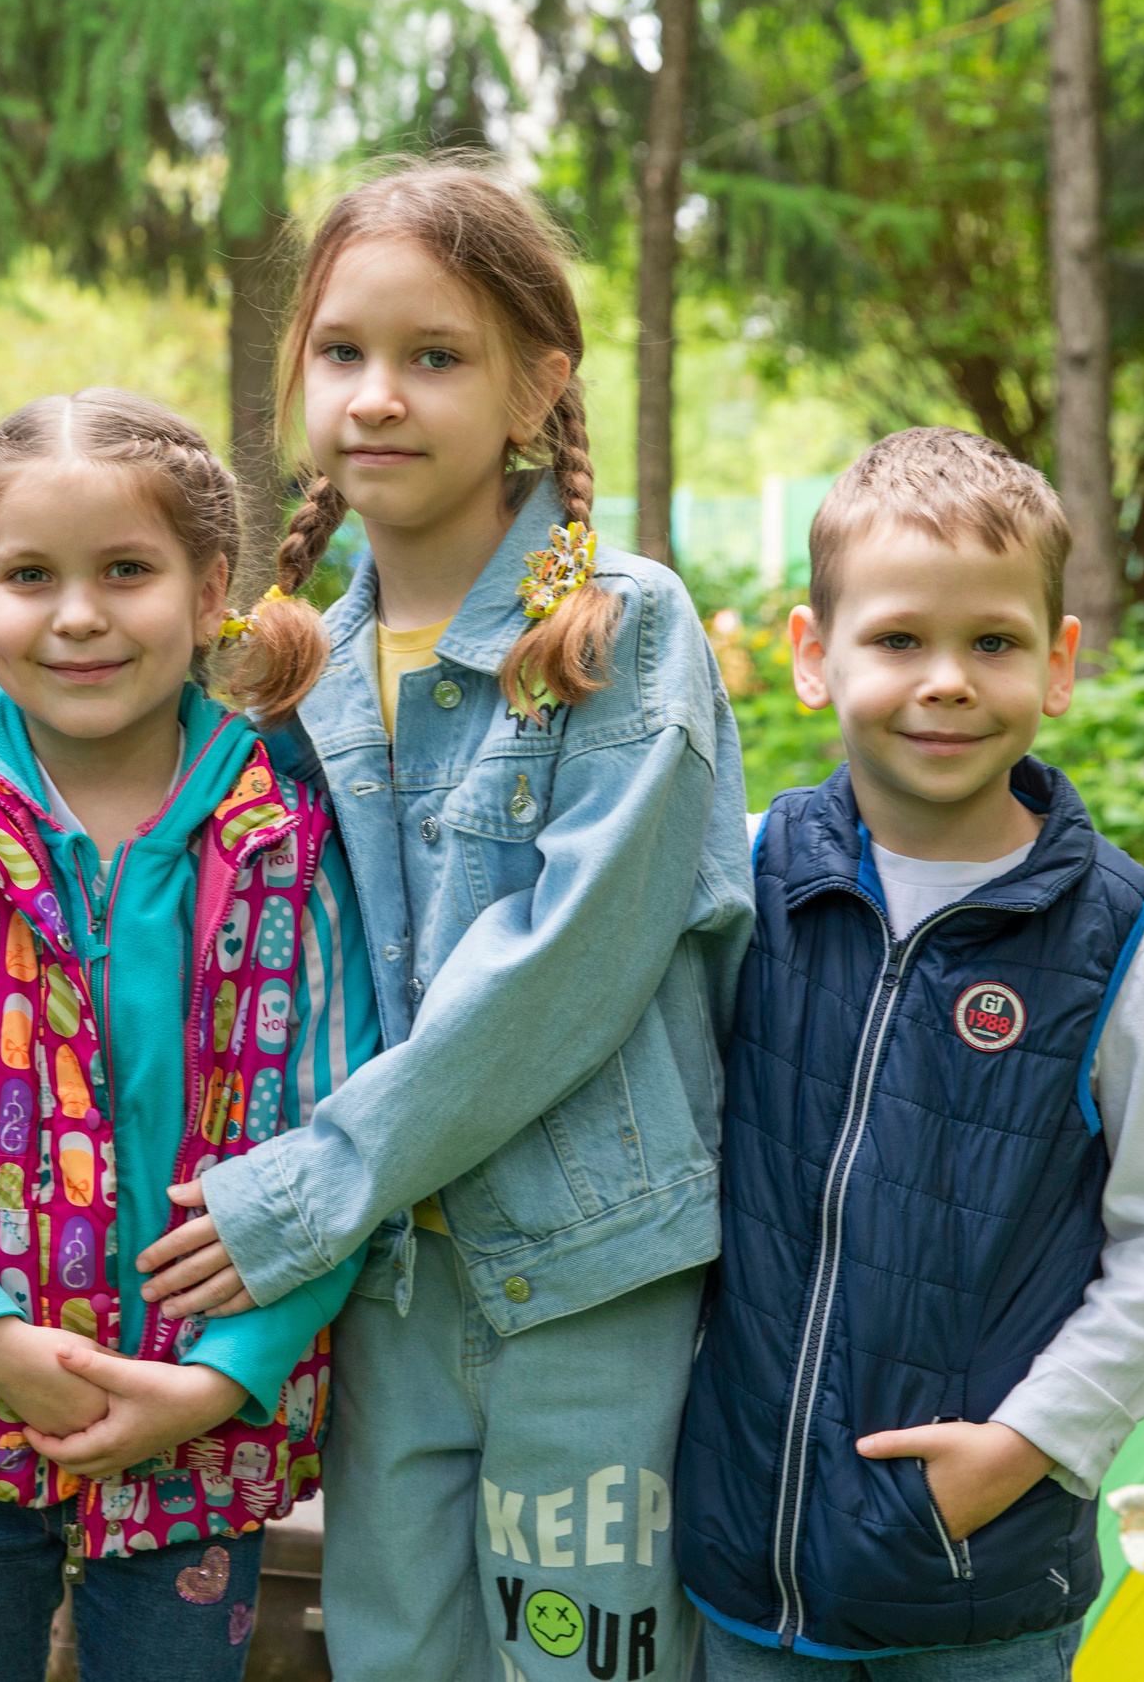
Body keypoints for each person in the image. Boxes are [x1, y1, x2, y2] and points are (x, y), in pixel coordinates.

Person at [133, 158, 755, 1682]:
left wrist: (306, 1186)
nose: (379, 396)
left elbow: (568, 971)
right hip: (387, 1291)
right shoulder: (289, 671)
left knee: (585, 1660)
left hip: (592, 1269)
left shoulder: (623, 628)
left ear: (537, 387)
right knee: (396, 1654)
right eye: (343, 352)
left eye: (436, 356)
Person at [0, 389, 381, 1682]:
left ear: (210, 581)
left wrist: (234, 1369)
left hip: (202, 1410)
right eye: (29, 575)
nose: (76, 614)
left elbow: (344, 1130)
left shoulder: (280, 838)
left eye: (126, 569)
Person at [677, 427, 1144, 1678]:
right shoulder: (747, 877)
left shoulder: (1126, 942)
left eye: (992, 642)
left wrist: (1025, 1447)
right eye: (896, 640)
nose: (946, 682)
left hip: (979, 1580)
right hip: (739, 1550)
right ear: (814, 659)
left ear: (1059, 662)